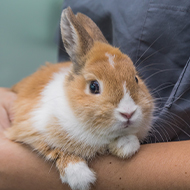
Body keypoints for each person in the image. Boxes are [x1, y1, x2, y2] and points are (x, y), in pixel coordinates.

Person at [1, 0, 190, 189]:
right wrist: (65, 158)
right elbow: (23, 132)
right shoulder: (58, 117)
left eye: (135, 80)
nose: (128, 111)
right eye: (94, 88)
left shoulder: (134, 108)